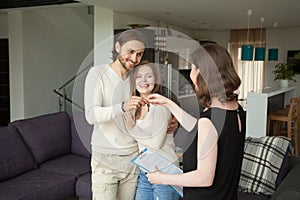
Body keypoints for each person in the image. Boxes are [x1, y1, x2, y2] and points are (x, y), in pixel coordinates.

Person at [84, 29, 178, 200]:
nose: (135, 58)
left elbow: (151, 111)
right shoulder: (97, 73)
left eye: (140, 54)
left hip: (134, 158)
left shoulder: (136, 78)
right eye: (131, 51)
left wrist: (171, 121)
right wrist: (122, 106)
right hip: (106, 158)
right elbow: (91, 115)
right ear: (118, 47)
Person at [146, 43, 246, 200]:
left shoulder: (209, 121)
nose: (191, 75)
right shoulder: (236, 109)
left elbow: (204, 178)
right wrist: (168, 103)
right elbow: (202, 130)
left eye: (192, 68)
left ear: (202, 73)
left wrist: (162, 178)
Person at [122, 61, 180, 200]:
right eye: (139, 76)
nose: (143, 80)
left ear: (156, 80)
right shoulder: (135, 108)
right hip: (145, 172)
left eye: (149, 76)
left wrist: (131, 128)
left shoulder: (160, 106)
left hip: (165, 172)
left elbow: (155, 144)